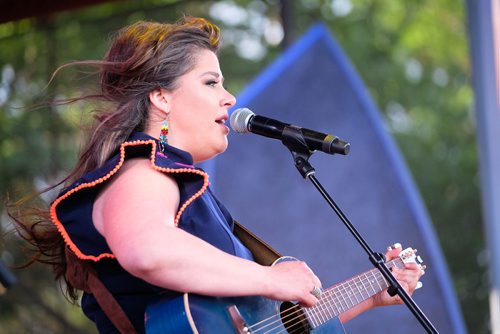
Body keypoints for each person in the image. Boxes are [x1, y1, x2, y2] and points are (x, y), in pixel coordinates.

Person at [11, 16, 424, 333]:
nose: (230, 98)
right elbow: (147, 251)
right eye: (211, 82)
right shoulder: (141, 171)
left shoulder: (183, 186)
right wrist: (269, 278)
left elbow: (264, 326)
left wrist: (372, 294)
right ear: (160, 97)